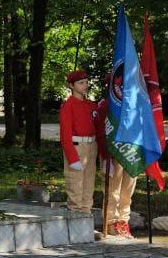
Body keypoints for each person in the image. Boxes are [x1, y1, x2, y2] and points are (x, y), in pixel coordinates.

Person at [95, 71, 137, 238]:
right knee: (113, 189)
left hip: (131, 152)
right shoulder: (106, 105)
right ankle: (111, 222)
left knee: (128, 190)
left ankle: (123, 221)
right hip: (113, 153)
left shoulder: (134, 104)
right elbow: (100, 131)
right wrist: (105, 154)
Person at [58, 70, 98, 214]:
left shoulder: (91, 105)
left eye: (86, 82)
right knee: (75, 182)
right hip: (77, 146)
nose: (85, 85)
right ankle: (75, 214)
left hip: (92, 146)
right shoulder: (68, 106)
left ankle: (86, 213)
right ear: (71, 85)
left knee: (88, 182)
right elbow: (65, 134)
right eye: (81, 83)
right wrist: (72, 157)